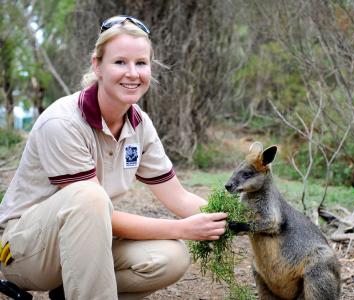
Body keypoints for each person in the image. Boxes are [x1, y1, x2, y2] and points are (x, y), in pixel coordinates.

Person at [0, 15, 227, 300]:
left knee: (171, 257)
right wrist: (180, 228)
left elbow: (178, 198)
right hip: (24, 253)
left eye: (141, 63)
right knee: (90, 197)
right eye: (120, 62)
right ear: (97, 65)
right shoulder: (62, 121)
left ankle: (71, 293)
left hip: (86, 241)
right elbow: (91, 207)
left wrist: (234, 216)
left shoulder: (139, 124)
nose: (132, 73)